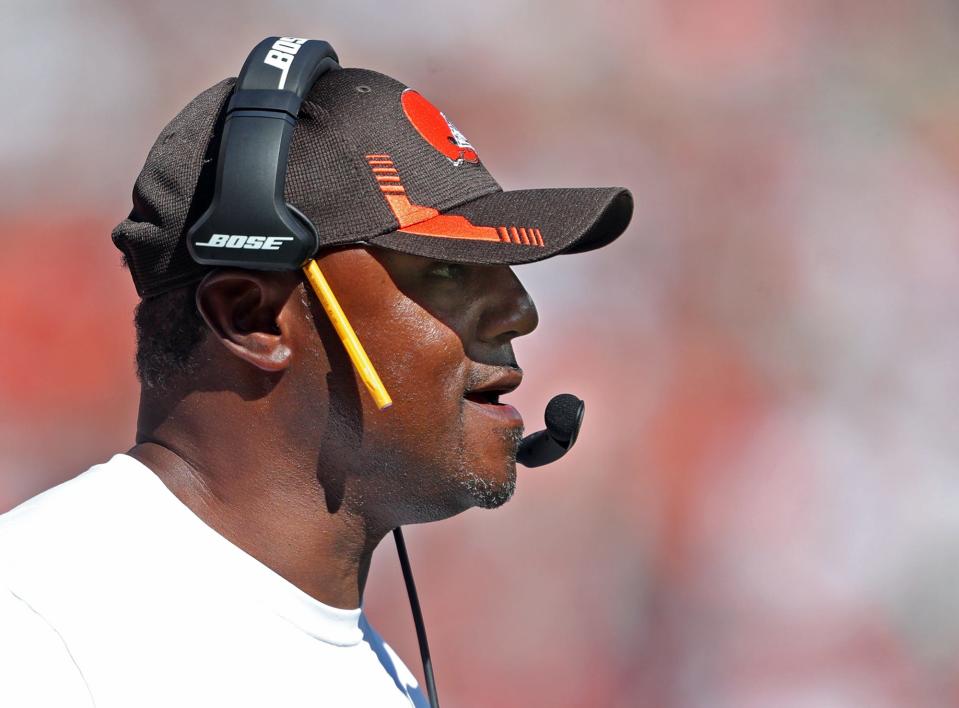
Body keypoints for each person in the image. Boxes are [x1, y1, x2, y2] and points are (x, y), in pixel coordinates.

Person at [0, 49, 632, 707]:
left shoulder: (377, 676)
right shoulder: (32, 627)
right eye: (446, 271)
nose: (521, 312)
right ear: (253, 318)